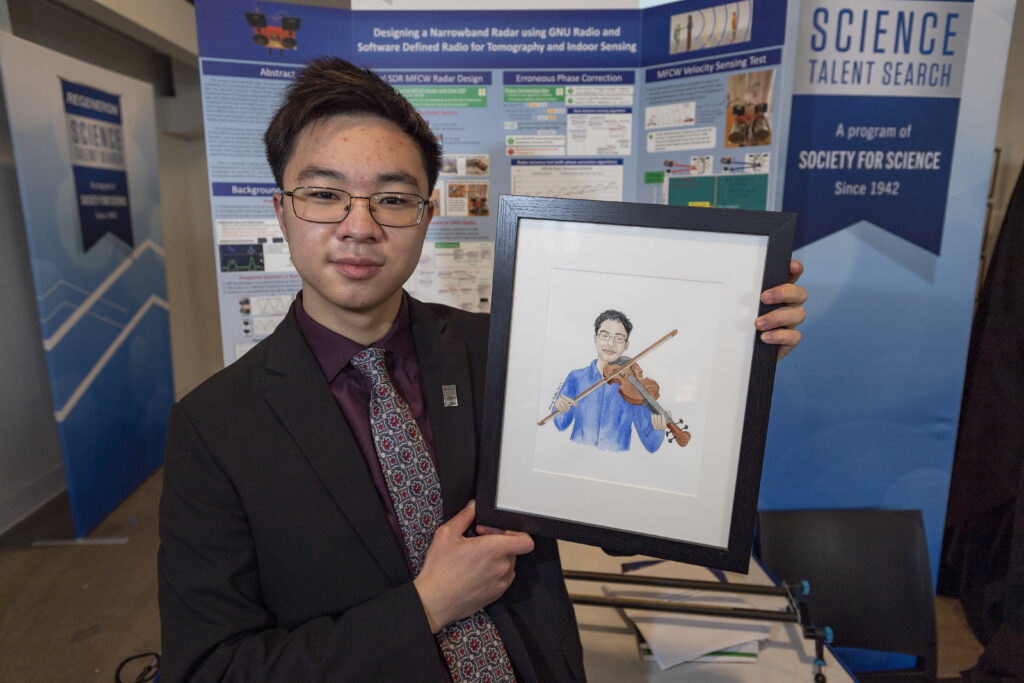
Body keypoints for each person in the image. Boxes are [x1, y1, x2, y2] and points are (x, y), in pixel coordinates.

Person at [157, 56, 808, 682]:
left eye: (392, 198)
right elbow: (211, 667)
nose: (359, 226)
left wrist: (731, 358)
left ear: (427, 215)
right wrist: (426, 605)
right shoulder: (214, 429)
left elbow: (612, 498)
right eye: (325, 194)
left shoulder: (499, 345)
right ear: (281, 211)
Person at [552, 310, 668, 453]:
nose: (611, 343)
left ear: (626, 345)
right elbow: (560, 425)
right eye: (605, 336)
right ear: (595, 338)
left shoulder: (635, 388)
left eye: (619, 338)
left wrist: (659, 429)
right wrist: (559, 409)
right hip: (577, 455)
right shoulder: (576, 377)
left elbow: (651, 445)